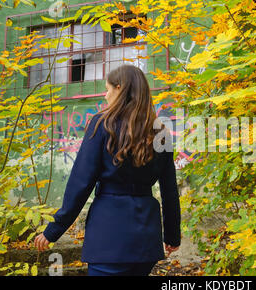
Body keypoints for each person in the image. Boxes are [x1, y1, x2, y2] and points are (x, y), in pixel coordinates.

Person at [34, 65, 181, 276]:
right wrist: (172, 236)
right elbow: (169, 190)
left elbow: (80, 184)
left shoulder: (102, 125)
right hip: (146, 240)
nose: (105, 95)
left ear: (119, 89)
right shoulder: (161, 133)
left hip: (109, 239)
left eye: (107, 89)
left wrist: (54, 230)